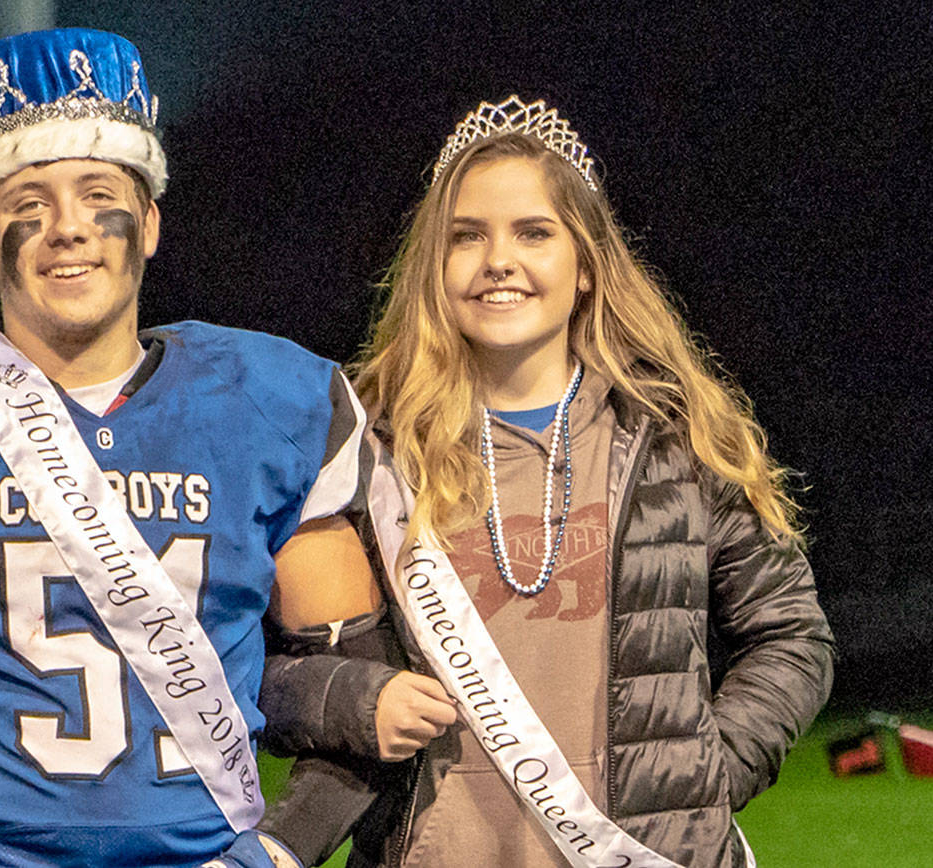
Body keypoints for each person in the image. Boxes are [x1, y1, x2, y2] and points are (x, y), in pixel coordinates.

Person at [0, 27, 434, 868]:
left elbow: (357, 702)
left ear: (150, 222)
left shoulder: (272, 400)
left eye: (97, 195)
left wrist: (275, 854)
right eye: (26, 206)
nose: (67, 230)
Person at [256, 96, 834, 868]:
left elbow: (792, 634)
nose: (500, 259)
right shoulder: (360, 453)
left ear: (587, 267)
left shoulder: (676, 442)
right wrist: (359, 704)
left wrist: (705, 777)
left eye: (534, 233)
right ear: (436, 266)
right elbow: (264, 666)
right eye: (468, 237)